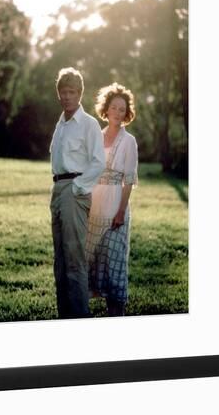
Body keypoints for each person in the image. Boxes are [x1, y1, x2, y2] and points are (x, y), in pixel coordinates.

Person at [49, 68, 106, 319]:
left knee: (74, 259)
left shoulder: (88, 124)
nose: (67, 96)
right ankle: (65, 317)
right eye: (63, 92)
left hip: (75, 190)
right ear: (58, 94)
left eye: (72, 92)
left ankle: (80, 318)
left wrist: (78, 188)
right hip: (58, 189)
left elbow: (98, 162)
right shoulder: (61, 124)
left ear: (80, 94)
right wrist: (62, 189)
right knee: (60, 260)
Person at [85, 82, 138, 317]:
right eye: (114, 107)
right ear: (105, 109)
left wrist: (120, 211)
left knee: (114, 265)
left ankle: (117, 316)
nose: (117, 112)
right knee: (92, 261)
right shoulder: (96, 135)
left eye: (122, 109)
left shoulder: (129, 142)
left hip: (116, 207)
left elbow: (129, 180)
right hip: (94, 207)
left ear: (126, 114)